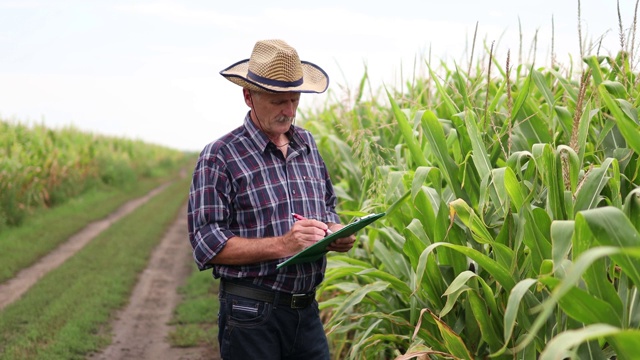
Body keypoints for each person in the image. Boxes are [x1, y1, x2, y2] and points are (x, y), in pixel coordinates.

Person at [187, 39, 356, 360]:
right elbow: (207, 244)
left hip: (306, 312)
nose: (289, 111)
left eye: (294, 100)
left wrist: (334, 233)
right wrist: (284, 245)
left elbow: (327, 207)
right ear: (248, 96)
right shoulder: (220, 155)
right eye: (279, 101)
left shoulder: (306, 143)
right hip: (251, 313)